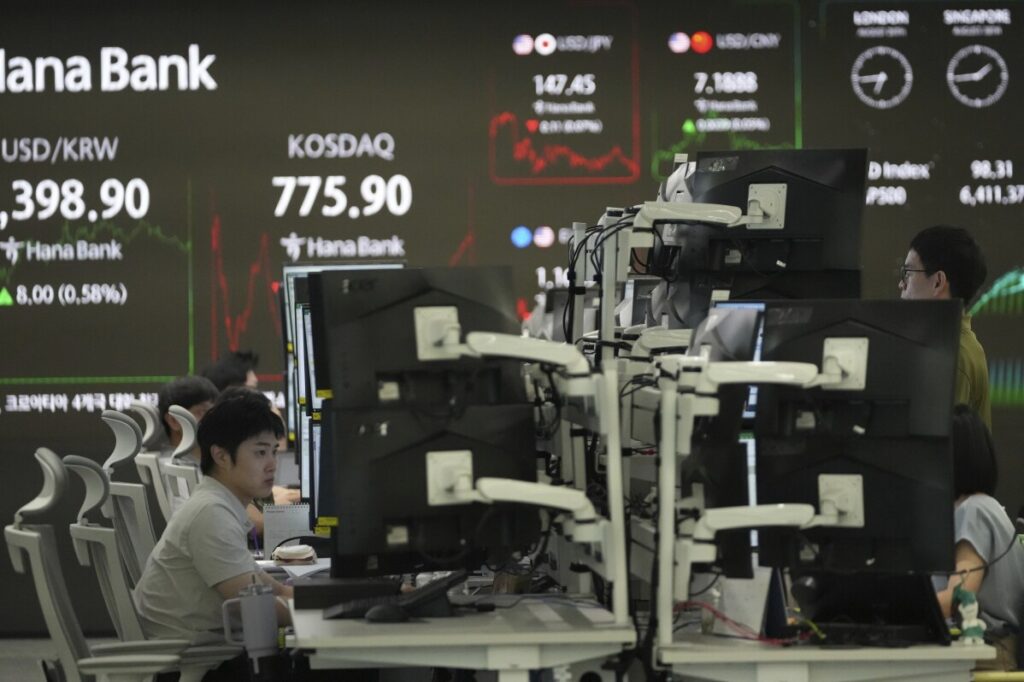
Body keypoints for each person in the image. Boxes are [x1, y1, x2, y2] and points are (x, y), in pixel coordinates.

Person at [133, 389, 292, 645]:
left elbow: (275, 589)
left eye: (274, 451)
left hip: (209, 647)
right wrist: (321, 612)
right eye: (260, 453)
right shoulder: (211, 514)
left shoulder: (220, 504)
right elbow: (255, 609)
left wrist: (322, 599)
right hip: (198, 658)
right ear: (221, 456)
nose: (272, 464)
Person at [935, 405, 1024, 670]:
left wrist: (894, 611)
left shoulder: (972, 511)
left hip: (985, 655)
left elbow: (959, 596)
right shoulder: (988, 507)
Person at [899, 225, 991, 428]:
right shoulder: (955, 345)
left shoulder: (954, 356)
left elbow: (935, 443)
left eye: (907, 273)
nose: (901, 285)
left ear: (938, 282)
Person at [157, 375, 220, 454]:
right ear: (173, 421)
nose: (213, 419)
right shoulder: (171, 461)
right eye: (203, 411)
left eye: (214, 411)